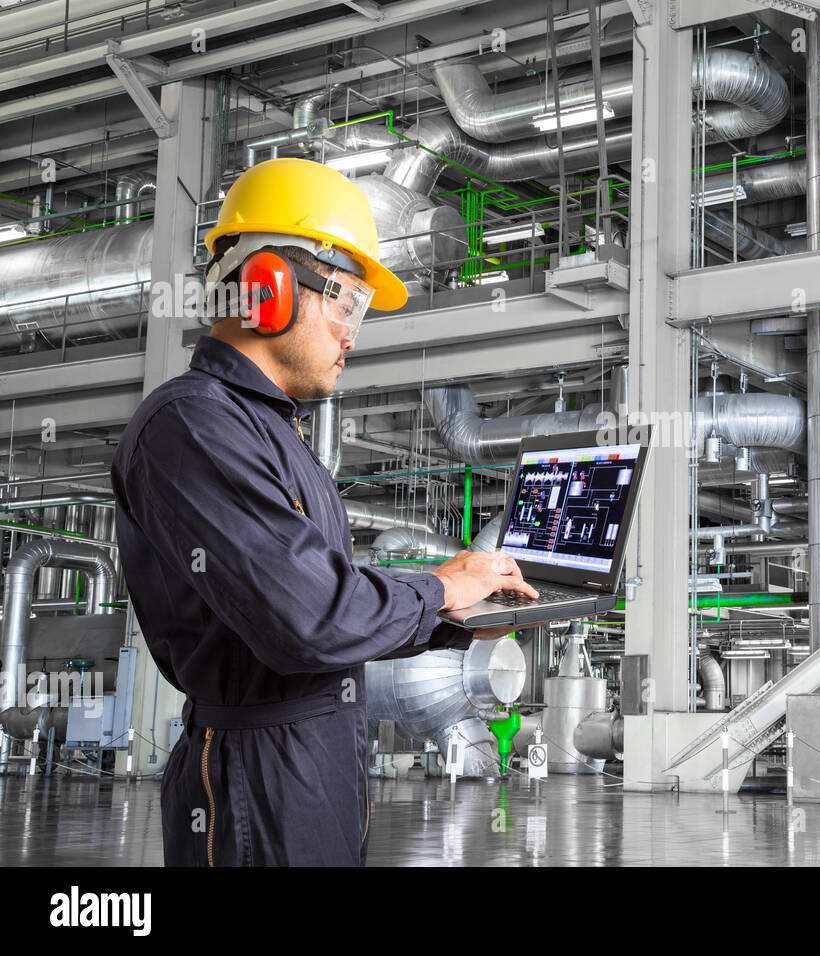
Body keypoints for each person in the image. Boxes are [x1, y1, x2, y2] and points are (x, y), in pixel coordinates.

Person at [111, 158, 537, 866]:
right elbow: (307, 622)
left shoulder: (274, 432)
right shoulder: (191, 426)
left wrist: (457, 614)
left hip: (312, 763)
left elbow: (324, 607)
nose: (352, 335)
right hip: (257, 782)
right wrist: (437, 589)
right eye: (347, 304)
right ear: (269, 288)